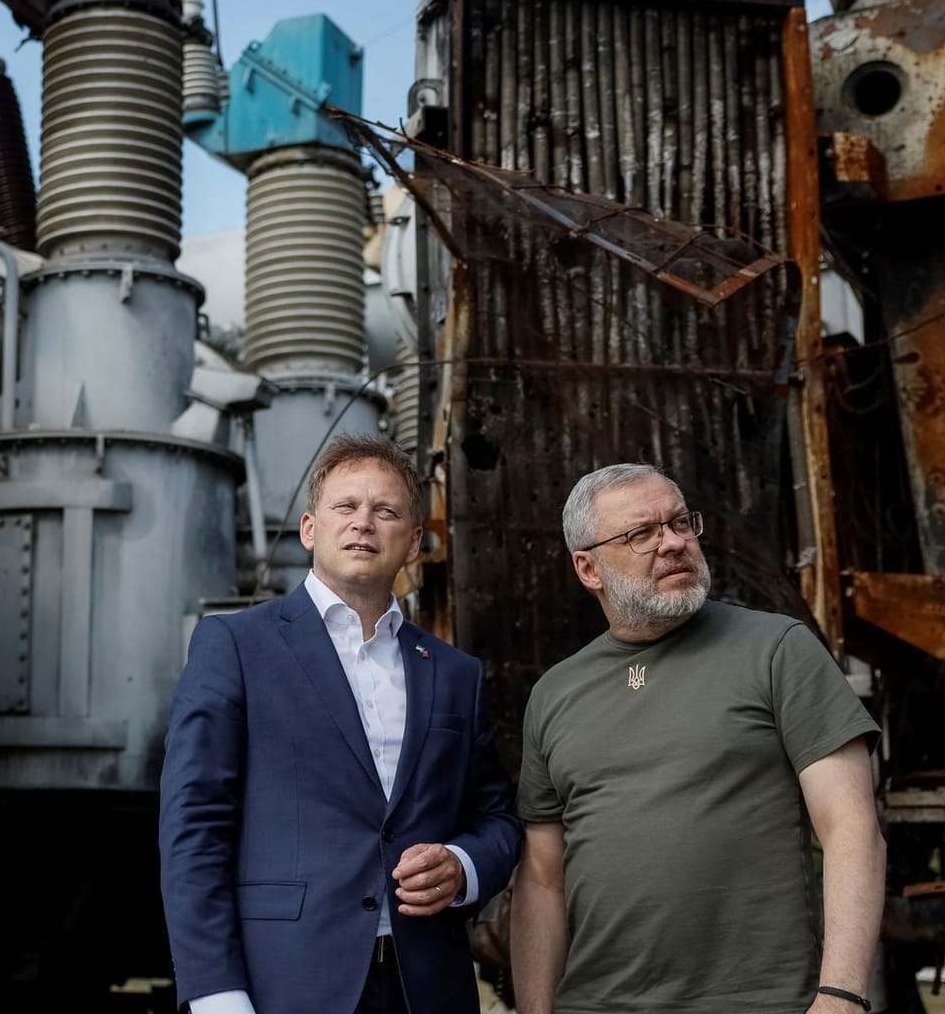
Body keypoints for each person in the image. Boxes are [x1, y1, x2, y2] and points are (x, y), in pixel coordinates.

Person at [160, 433, 521, 1014]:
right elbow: (194, 826)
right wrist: (214, 992)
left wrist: (464, 865)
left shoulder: (456, 673)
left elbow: (497, 817)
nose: (364, 523)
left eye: (386, 511)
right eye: (346, 507)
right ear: (309, 529)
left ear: (411, 543)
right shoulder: (234, 644)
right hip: (284, 983)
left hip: (426, 986)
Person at [510, 463, 884, 1014]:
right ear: (588, 568)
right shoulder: (554, 693)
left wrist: (841, 996)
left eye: (681, 523)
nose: (673, 543)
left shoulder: (777, 649)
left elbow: (851, 827)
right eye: (642, 534)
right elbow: (542, 878)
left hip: (763, 1002)